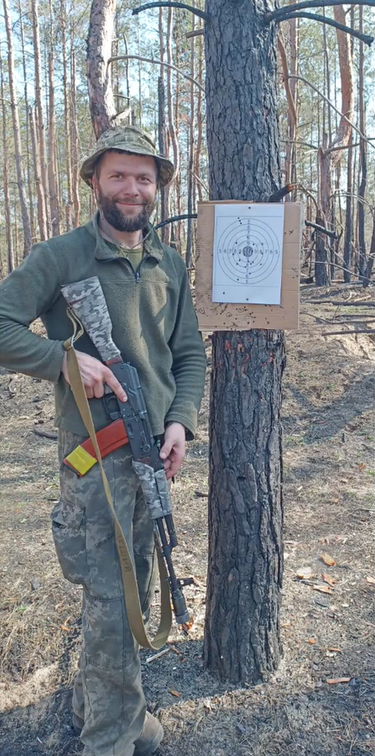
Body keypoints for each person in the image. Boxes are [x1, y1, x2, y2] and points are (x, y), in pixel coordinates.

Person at [0, 125, 207, 756]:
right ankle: (109, 740)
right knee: (112, 600)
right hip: (93, 462)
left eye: (144, 178)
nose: (132, 188)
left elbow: (189, 353)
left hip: (152, 453)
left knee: (132, 587)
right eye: (118, 174)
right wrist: (66, 361)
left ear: (157, 188)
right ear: (95, 181)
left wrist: (182, 421)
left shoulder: (168, 262)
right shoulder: (62, 257)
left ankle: (112, 707)